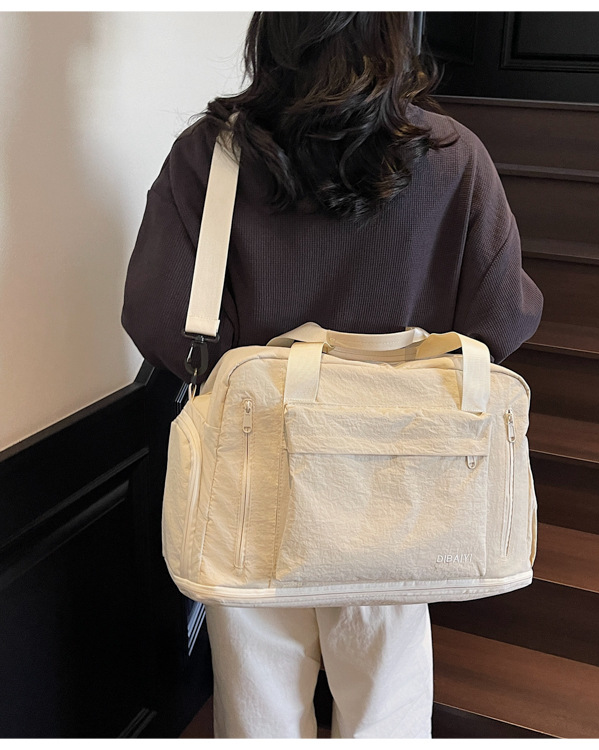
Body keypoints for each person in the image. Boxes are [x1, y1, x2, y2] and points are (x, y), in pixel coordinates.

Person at [122, 11, 543, 740]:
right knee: (385, 704)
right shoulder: (452, 157)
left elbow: (160, 320)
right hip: (399, 473)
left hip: (250, 471)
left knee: (257, 705)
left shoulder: (212, 155)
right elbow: (503, 318)